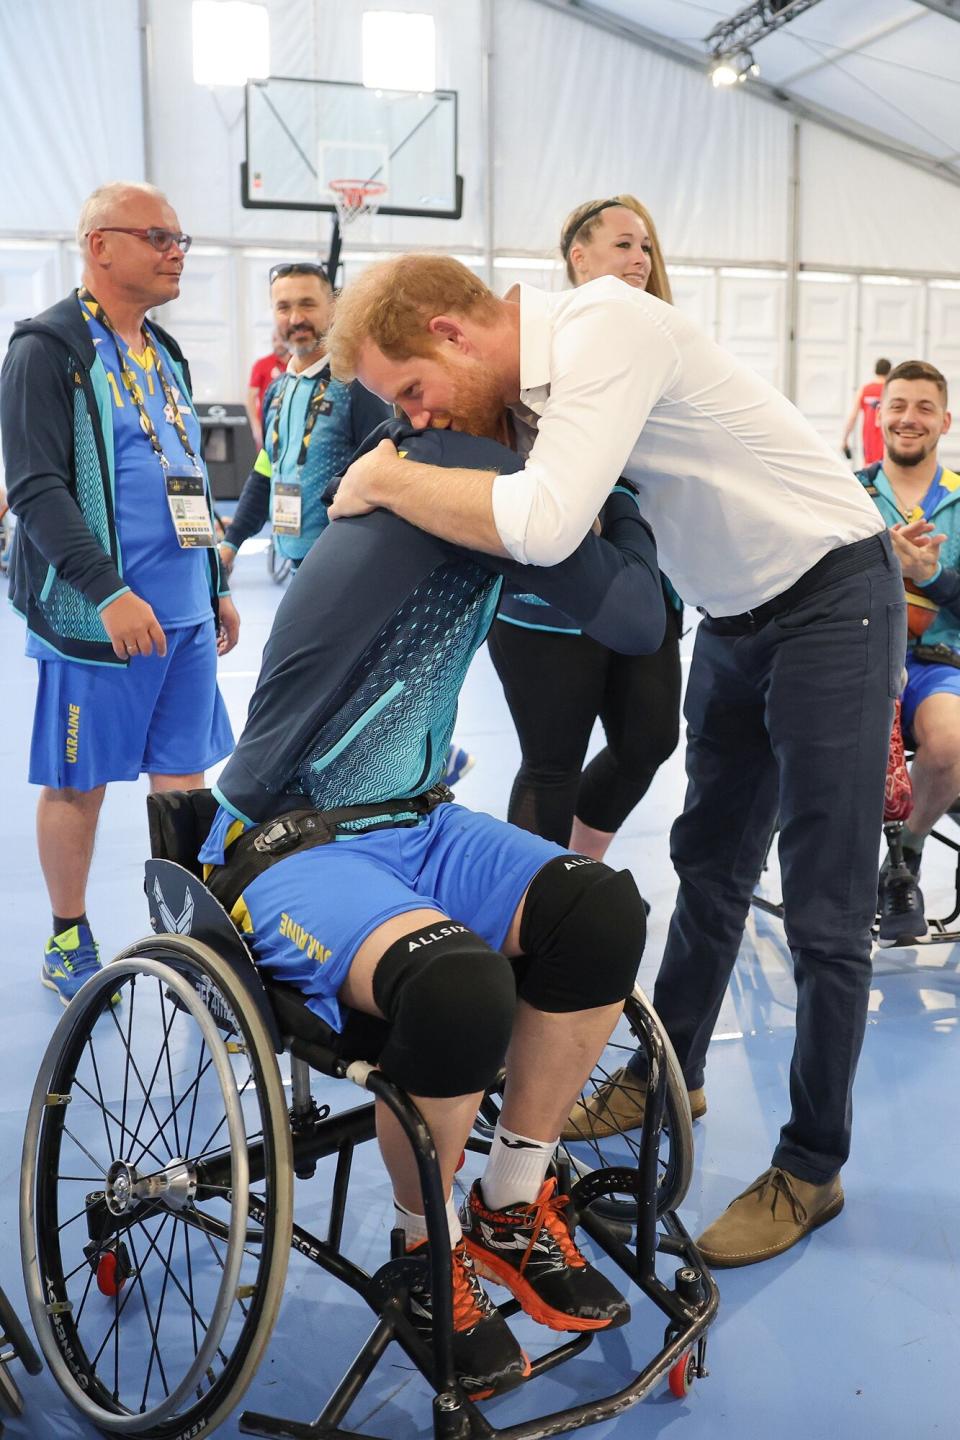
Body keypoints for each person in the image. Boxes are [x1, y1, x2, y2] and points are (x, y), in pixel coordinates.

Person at [324, 252, 906, 1269]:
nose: (416, 420)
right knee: (708, 867)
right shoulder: (534, 395)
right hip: (732, 616)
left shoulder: (605, 328)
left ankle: (812, 1165)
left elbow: (546, 526)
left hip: (830, 601)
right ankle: (666, 1073)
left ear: (456, 335)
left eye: (414, 391)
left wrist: (381, 478)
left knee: (821, 906)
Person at [197, 415, 667, 1396]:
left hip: (419, 817)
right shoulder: (441, 480)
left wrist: (604, 484)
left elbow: (633, 615)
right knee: (459, 987)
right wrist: (608, 486)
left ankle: (507, 1204)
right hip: (291, 841)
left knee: (605, 913)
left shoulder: (493, 497)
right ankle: (424, 1252)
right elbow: (627, 607)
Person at [0, 181, 238, 1004]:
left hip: (185, 617)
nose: (177, 251)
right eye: (158, 237)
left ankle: (190, 943)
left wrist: (212, 582)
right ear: (101, 245)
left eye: (181, 240)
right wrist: (106, 592)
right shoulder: (48, 349)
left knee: (184, 780)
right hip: (96, 621)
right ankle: (68, 935)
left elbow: (191, 477)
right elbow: (35, 491)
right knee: (78, 779)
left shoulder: (162, 353)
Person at [487, 196, 682, 858]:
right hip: (547, 597)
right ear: (579, 256)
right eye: (624, 244)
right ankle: (530, 921)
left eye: (646, 247)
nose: (639, 258)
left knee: (650, 740)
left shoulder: (664, 338)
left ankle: (579, 869)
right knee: (551, 764)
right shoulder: (537, 341)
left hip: (641, 577)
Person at [858, 361, 956, 945]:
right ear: (879, 413)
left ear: (944, 420)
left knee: (950, 742)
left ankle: (904, 860)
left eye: (923, 407)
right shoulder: (846, 493)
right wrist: (879, 565)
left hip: (935, 665)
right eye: (897, 405)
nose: (908, 419)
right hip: (860, 657)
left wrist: (934, 576)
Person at [218, 263, 389, 577]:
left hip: (344, 568)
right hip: (295, 563)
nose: (296, 319)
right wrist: (231, 543)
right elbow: (264, 471)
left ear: (333, 308)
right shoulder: (276, 391)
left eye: (307, 304)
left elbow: (383, 478)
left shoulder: (357, 386)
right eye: (284, 307)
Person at [842, 357, 892, 465]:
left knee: (869, 471)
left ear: (875, 371)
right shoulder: (891, 390)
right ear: (890, 371)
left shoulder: (864, 390)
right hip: (887, 438)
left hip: (869, 439)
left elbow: (853, 417)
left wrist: (845, 439)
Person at [245, 328, 289, 450]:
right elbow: (250, 397)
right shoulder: (262, 364)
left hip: (290, 424)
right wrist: (255, 426)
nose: (278, 344)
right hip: (267, 425)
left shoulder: (297, 363)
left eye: (282, 339)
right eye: (275, 340)